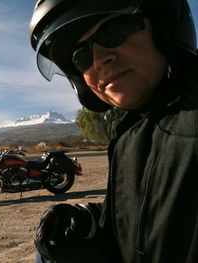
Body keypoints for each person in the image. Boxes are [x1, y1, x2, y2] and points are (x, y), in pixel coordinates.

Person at [29, 0, 198, 262]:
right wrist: (89, 219)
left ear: (165, 26)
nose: (98, 60)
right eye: (80, 56)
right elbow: (142, 221)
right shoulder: (128, 137)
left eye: (113, 32)